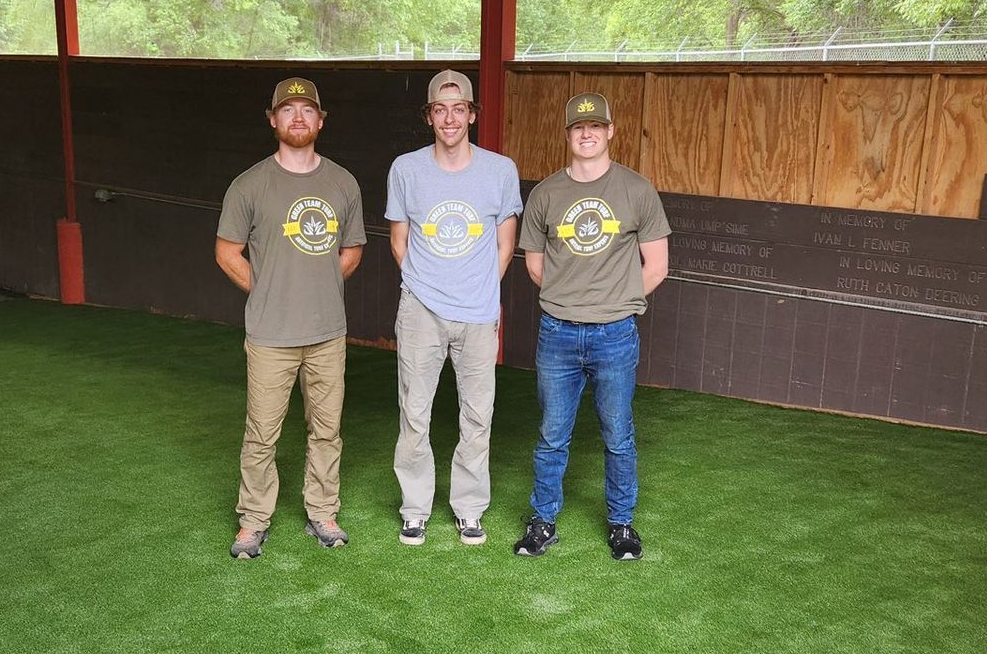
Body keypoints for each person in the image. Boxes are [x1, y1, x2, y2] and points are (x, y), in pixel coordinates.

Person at [513, 91, 670, 561]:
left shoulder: (636, 190)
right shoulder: (546, 194)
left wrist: (614, 304)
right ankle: (543, 521)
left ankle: (622, 524)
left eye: (595, 126)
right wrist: (570, 298)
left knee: (617, 434)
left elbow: (656, 265)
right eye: (579, 127)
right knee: (551, 433)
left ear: (610, 132)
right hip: (557, 332)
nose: (587, 133)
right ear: (568, 135)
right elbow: (536, 265)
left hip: (614, 334)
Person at [215, 77, 366, 558]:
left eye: (307, 110)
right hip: (270, 336)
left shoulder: (342, 182)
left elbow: (352, 250)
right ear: (272, 119)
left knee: (327, 429)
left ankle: (322, 512)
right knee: (261, 432)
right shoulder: (250, 184)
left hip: (326, 334)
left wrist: (317, 285)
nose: (297, 117)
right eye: (288, 110)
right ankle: (253, 520)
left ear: (321, 120)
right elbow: (227, 252)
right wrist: (269, 290)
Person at [385, 70, 523, 547]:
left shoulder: (500, 170)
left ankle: (468, 508)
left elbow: (506, 246)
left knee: (477, 414)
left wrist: (476, 288)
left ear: (472, 114)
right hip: (420, 308)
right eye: (440, 109)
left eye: (458, 108)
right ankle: (415, 508)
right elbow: (399, 242)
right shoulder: (406, 168)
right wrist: (430, 286)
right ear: (429, 116)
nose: (449, 118)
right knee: (415, 411)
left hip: (479, 311)